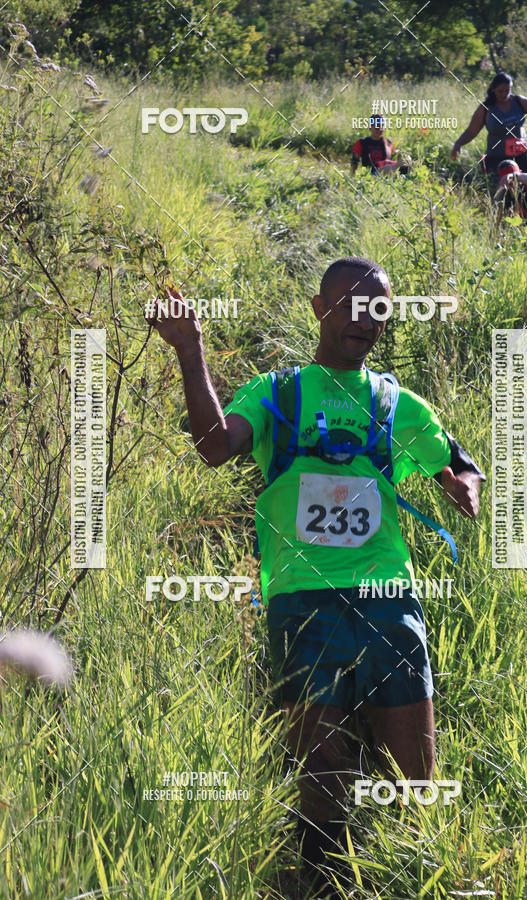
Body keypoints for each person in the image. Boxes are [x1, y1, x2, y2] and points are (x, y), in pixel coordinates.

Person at [148, 258, 485, 896]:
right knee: (320, 775)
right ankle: (324, 881)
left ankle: (415, 873)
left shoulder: (398, 403)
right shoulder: (279, 394)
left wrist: (461, 486)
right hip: (301, 603)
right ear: (318, 307)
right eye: (353, 305)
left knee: (413, 775)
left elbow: (458, 462)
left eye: (379, 308)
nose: (366, 319)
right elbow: (215, 446)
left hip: (389, 600)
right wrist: (190, 350)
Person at [451, 71, 527, 183]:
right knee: (503, 191)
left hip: (522, 154)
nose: (504, 94)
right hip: (497, 157)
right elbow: (471, 131)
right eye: (500, 91)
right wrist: (458, 144)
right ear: (493, 89)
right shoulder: (486, 108)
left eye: (507, 90)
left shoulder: (519, 101)